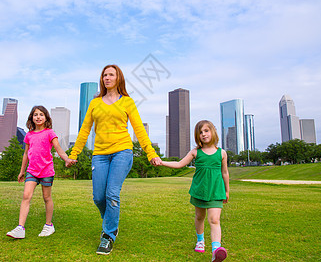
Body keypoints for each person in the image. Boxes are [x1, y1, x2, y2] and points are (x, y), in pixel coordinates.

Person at [68, 64, 162, 255]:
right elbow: (85, 130)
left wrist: (150, 153)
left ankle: (108, 235)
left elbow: (139, 130)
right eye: (104, 75)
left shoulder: (127, 102)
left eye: (111, 74)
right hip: (100, 155)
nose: (107, 78)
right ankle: (111, 223)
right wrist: (74, 154)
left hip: (122, 152)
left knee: (112, 194)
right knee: (98, 197)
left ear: (119, 78)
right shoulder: (95, 103)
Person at [158, 120, 229, 262]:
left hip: (216, 191)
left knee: (214, 220)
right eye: (200, 132)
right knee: (199, 217)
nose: (203, 134)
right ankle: (200, 241)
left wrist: (227, 191)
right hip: (199, 190)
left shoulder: (222, 153)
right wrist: (162, 162)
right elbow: (179, 164)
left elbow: (225, 173)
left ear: (213, 132)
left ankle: (216, 250)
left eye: (206, 131)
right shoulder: (196, 152)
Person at [7, 105, 75, 239]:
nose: (38, 117)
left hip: (46, 170)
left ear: (46, 118)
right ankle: (20, 228)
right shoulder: (29, 135)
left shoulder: (50, 133)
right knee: (26, 196)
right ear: (31, 118)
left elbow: (58, 149)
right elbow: (26, 154)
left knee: (46, 197)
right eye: (35, 115)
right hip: (32, 170)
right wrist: (22, 171)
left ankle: (49, 225)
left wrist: (67, 159)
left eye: (41, 114)